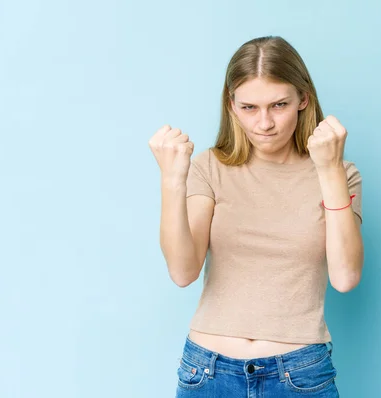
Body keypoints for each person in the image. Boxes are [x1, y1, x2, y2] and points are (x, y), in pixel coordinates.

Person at [148, 35, 364, 397]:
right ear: (231, 106)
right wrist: (172, 180)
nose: (264, 123)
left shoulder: (341, 174)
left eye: (278, 104)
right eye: (249, 107)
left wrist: (329, 174)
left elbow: (345, 277)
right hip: (208, 372)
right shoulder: (209, 168)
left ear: (303, 99)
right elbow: (183, 272)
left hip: (300, 374)